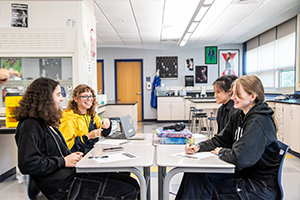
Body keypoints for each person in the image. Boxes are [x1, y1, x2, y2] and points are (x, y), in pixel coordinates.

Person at [14, 77, 139, 200]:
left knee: (132, 183)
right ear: (44, 98)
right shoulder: (30, 126)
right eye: (58, 95)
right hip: (60, 186)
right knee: (128, 191)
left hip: (70, 173)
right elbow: (27, 164)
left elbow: (58, 151)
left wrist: (72, 157)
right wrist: (64, 161)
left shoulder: (47, 123)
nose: (61, 99)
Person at [175, 75, 281, 200]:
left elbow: (240, 157)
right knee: (194, 174)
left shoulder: (259, 122)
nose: (233, 97)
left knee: (204, 187)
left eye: (238, 94)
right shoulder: (239, 115)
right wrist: (198, 147)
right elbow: (220, 139)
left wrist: (221, 151)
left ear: (252, 96)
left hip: (259, 186)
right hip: (243, 173)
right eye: (233, 93)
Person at [59, 84, 111, 155]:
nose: (89, 99)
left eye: (90, 96)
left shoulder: (91, 114)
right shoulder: (69, 119)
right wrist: (88, 136)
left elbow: (103, 133)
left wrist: (106, 126)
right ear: (75, 99)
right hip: (78, 158)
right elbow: (66, 147)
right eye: (84, 96)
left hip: (92, 153)